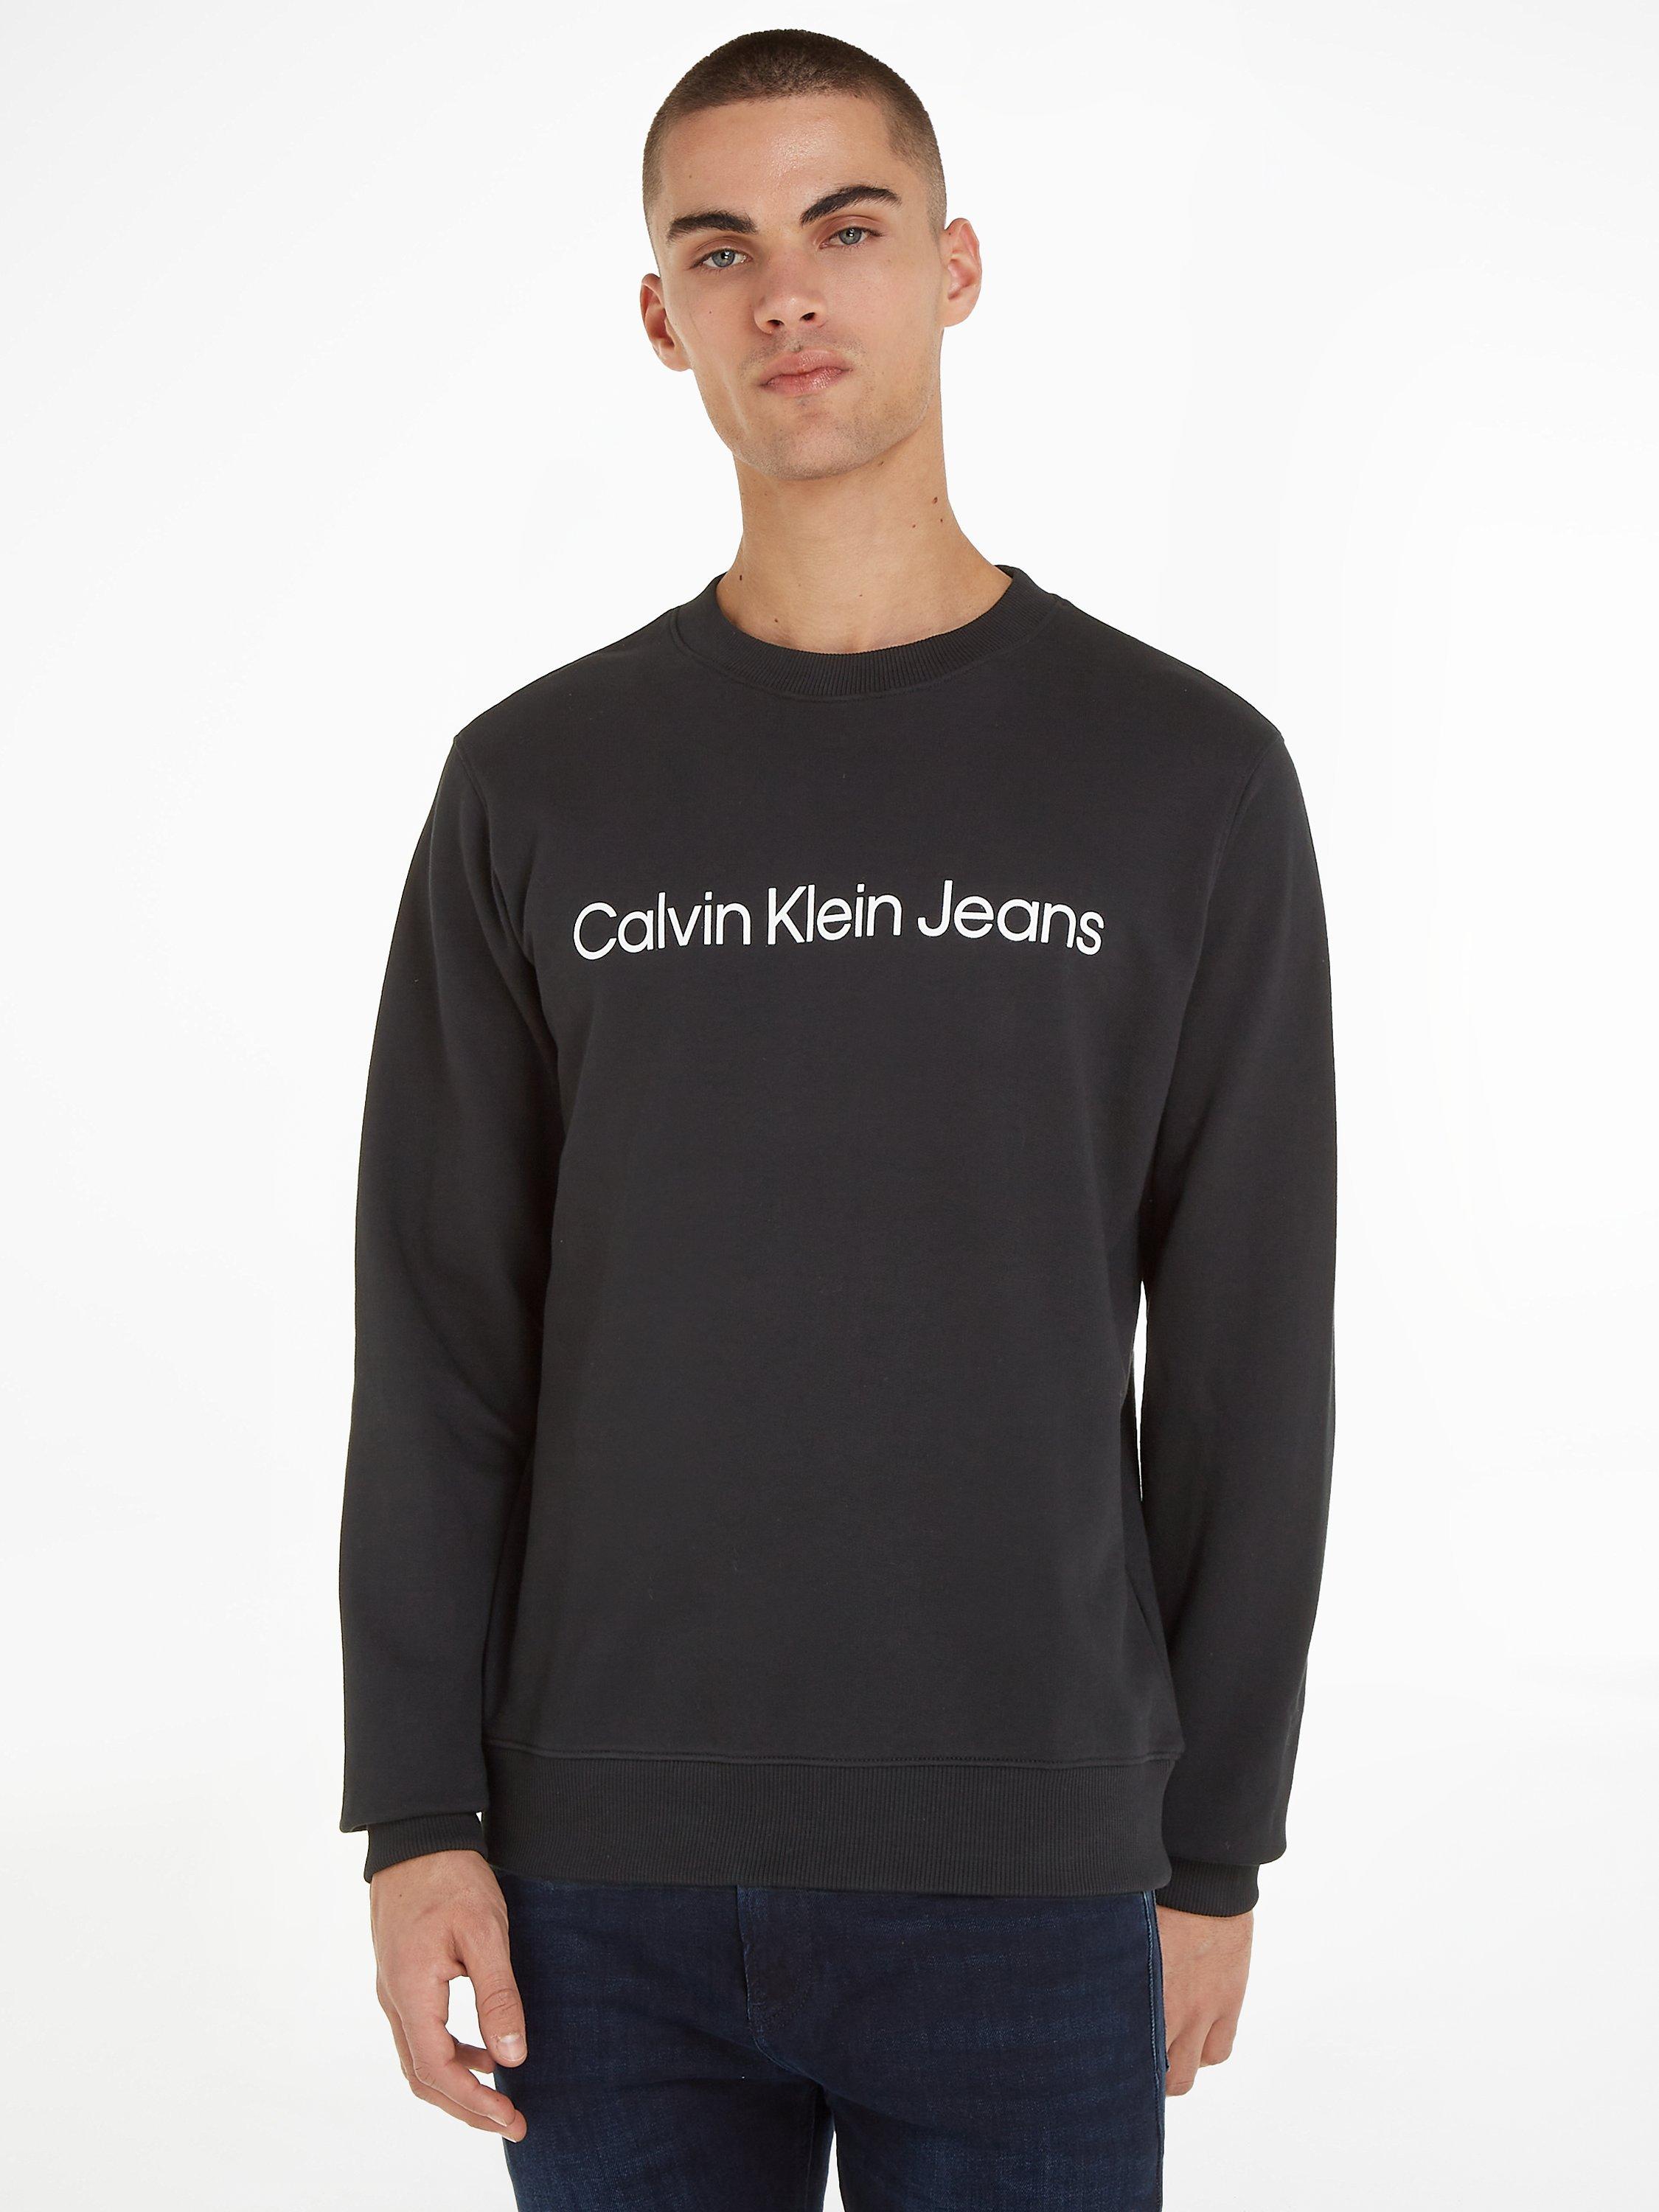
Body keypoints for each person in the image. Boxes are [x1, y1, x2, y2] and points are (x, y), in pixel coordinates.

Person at [338, 28, 1338, 2211]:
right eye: (720, 248)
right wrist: (415, 1818)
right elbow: (439, 1334)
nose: (785, 291)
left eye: (846, 228)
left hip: (1035, 1874)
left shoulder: (1183, 778)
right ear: (661, 314)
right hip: (597, 1887)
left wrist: (1211, 1849)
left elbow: (1249, 1353)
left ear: (954, 268)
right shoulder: (537, 783)